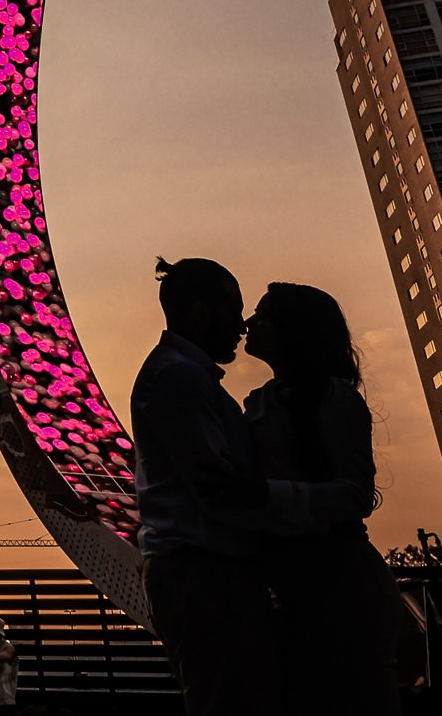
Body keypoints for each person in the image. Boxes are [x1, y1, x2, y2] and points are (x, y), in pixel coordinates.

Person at [130, 256, 281, 715]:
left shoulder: (180, 375)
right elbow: (214, 484)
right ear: (199, 313)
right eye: (233, 311)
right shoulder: (180, 378)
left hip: (202, 571)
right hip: (206, 572)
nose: (241, 325)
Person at [243, 282, 404, 716]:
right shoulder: (259, 402)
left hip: (341, 584)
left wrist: (265, 495)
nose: (249, 323)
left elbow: (356, 494)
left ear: (292, 329)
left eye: (262, 315)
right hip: (294, 583)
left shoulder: (336, 400)